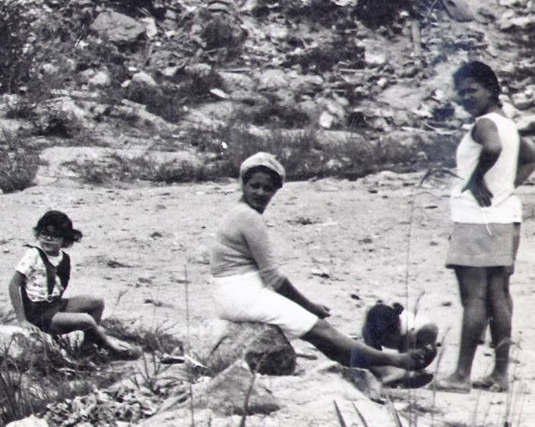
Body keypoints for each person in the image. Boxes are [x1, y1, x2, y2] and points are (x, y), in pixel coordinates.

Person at [211, 152, 437, 386]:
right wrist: (310, 306)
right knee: (319, 328)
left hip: (234, 291)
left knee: (319, 334)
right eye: (254, 186)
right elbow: (274, 279)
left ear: (275, 191)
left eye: (267, 188)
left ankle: (385, 372)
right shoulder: (249, 218)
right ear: (243, 185)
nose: (260, 193)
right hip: (240, 294)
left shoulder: (241, 212)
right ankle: (399, 360)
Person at [439, 61, 534, 393]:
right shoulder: (507, 124)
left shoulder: (483, 126)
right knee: (499, 295)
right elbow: (530, 156)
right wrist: (507, 185)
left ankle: (461, 375)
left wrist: (477, 178)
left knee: (474, 298)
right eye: (461, 92)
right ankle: (499, 374)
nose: (466, 97)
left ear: (492, 89)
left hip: (477, 219)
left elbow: (491, 149)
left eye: (472, 90)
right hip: (505, 217)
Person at [8, 210, 140, 359]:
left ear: (65, 239)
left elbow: (58, 287)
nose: (48, 239)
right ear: (38, 234)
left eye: (55, 236)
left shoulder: (64, 258)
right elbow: (14, 285)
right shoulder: (34, 254)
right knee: (85, 320)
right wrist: (22, 320)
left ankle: (89, 346)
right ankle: (109, 346)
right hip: (38, 314)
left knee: (96, 302)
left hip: (54, 305)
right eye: (44, 234)